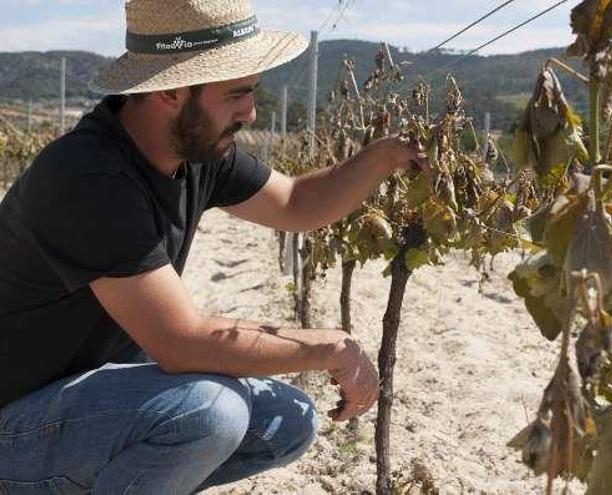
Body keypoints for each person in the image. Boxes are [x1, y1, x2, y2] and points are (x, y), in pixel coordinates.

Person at [0, 0, 425, 493]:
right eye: (237, 94)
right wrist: (331, 346)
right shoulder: (88, 176)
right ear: (172, 90)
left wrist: (385, 156)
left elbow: (296, 203)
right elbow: (181, 342)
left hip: (85, 401)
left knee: (285, 419)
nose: (250, 111)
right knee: (207, 412)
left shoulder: (194, 152)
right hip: (15, 418)